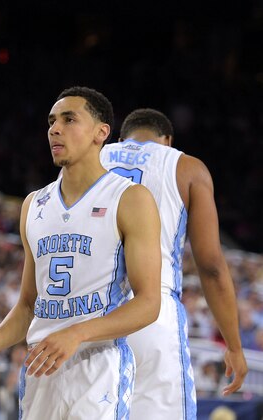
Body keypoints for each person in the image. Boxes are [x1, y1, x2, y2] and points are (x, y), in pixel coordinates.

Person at [0, 86, 162, 419]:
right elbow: (28, 306)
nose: (55, 129)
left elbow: (148, 304)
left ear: (102, 133)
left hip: (96, 366)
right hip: (40, 368)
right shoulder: (33, 204)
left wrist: (78, 333)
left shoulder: (130, 198)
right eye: (52, 121)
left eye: (70, 119)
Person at [100, 108, 248, 419]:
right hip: (151, 308)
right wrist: (234, 346)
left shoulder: (92, 156)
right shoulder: (187, 167)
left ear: (120, 138)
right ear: (167, 140)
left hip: (90, 308)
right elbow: (210, 266)